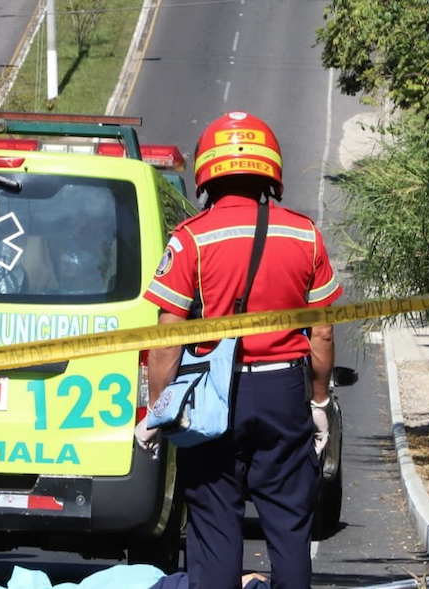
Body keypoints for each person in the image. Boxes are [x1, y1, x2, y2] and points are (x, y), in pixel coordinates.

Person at [136, 111, 343, 589]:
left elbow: (166, 339)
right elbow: (324, 334)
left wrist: (158, 411)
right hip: (284, 393)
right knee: (290, 525)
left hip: (214, 399)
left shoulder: (190, 239)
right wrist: (318, 402)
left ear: (206, 175)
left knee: (212, 524)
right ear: (271, 172)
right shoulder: (304, 234)